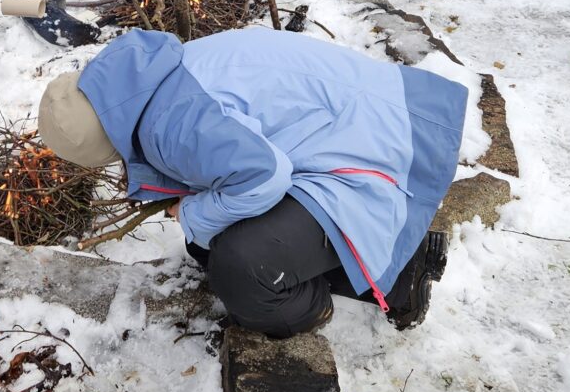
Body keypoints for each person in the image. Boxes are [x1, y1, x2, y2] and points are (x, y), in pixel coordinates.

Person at [36, 28, 466, 336]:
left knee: (242, 269)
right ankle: (381, 259)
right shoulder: (157, 75)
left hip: (385, 151)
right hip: (383, 118)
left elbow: (265, 176)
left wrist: (191, 211)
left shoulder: (170, 124)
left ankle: (385, 281)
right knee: (206, 242)